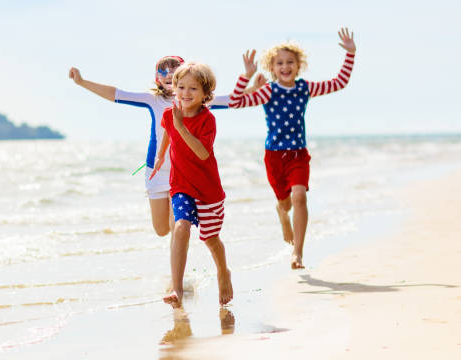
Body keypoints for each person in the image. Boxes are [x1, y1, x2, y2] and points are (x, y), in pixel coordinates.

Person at [228, 28, 356, 269]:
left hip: (298, 154)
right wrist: (246, 77)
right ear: (272, 68)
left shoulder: (304, 88)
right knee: (286, 203)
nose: (285, 67)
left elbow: (340, 82)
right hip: (274, 156)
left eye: (290, 62)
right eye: (279, 63)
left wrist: (350, 53)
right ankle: (281, 213)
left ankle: (297, 253)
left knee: (299, 197)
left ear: (299, 66)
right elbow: (235, 102)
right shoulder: (267, 91)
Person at [68, 57, 230, 239]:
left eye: (174, 69)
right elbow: (116, 94)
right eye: (163, 70)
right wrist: (81, 82)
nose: (169, 73)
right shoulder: (153, 100)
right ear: (157, 78)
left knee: (178, 224)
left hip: (183, 173)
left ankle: (176, 266)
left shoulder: (197, 99)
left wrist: (257, 90)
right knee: (161, 230)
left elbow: (233, 99)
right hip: (156, 170)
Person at [150, 62, 233, 307]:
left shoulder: (208, 120)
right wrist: (160, 156)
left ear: (205, 94)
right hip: (181, 185)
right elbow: (167, 132)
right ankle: (177, 288)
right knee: (181, 226)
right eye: (181, 87)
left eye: (193, 89)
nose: (185, 93)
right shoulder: (170, 115)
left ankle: (223, 272)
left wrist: (180, 126)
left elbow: (202, 153)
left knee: (210, 238)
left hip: (208, 191)